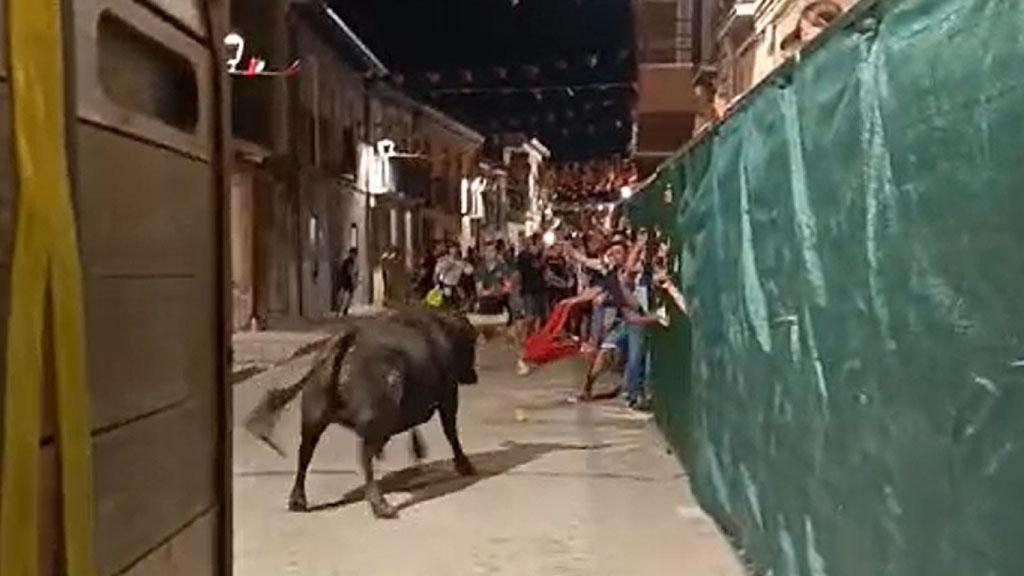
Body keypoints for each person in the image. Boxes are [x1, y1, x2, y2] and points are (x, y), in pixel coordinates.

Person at [516, 233, 548, 336]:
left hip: (540, 289)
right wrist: (544, 256)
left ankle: (536, 337)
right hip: (529, 289)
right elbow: (536, 266)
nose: (541, 245)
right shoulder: (524, 256)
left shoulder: (536, 255)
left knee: (540, 315)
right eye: (539, 243)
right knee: (530, 316)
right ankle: (524, 335)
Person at [336, 247, 358, 316]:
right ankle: (341, 309)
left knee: (348, 295)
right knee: (344, 295)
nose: (355, 256)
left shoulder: (349, 261)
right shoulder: (349, 261)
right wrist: (353, 280)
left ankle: (344, 309)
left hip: (346, 280)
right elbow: (350, 272)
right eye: (354, 254)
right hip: (346, 280)